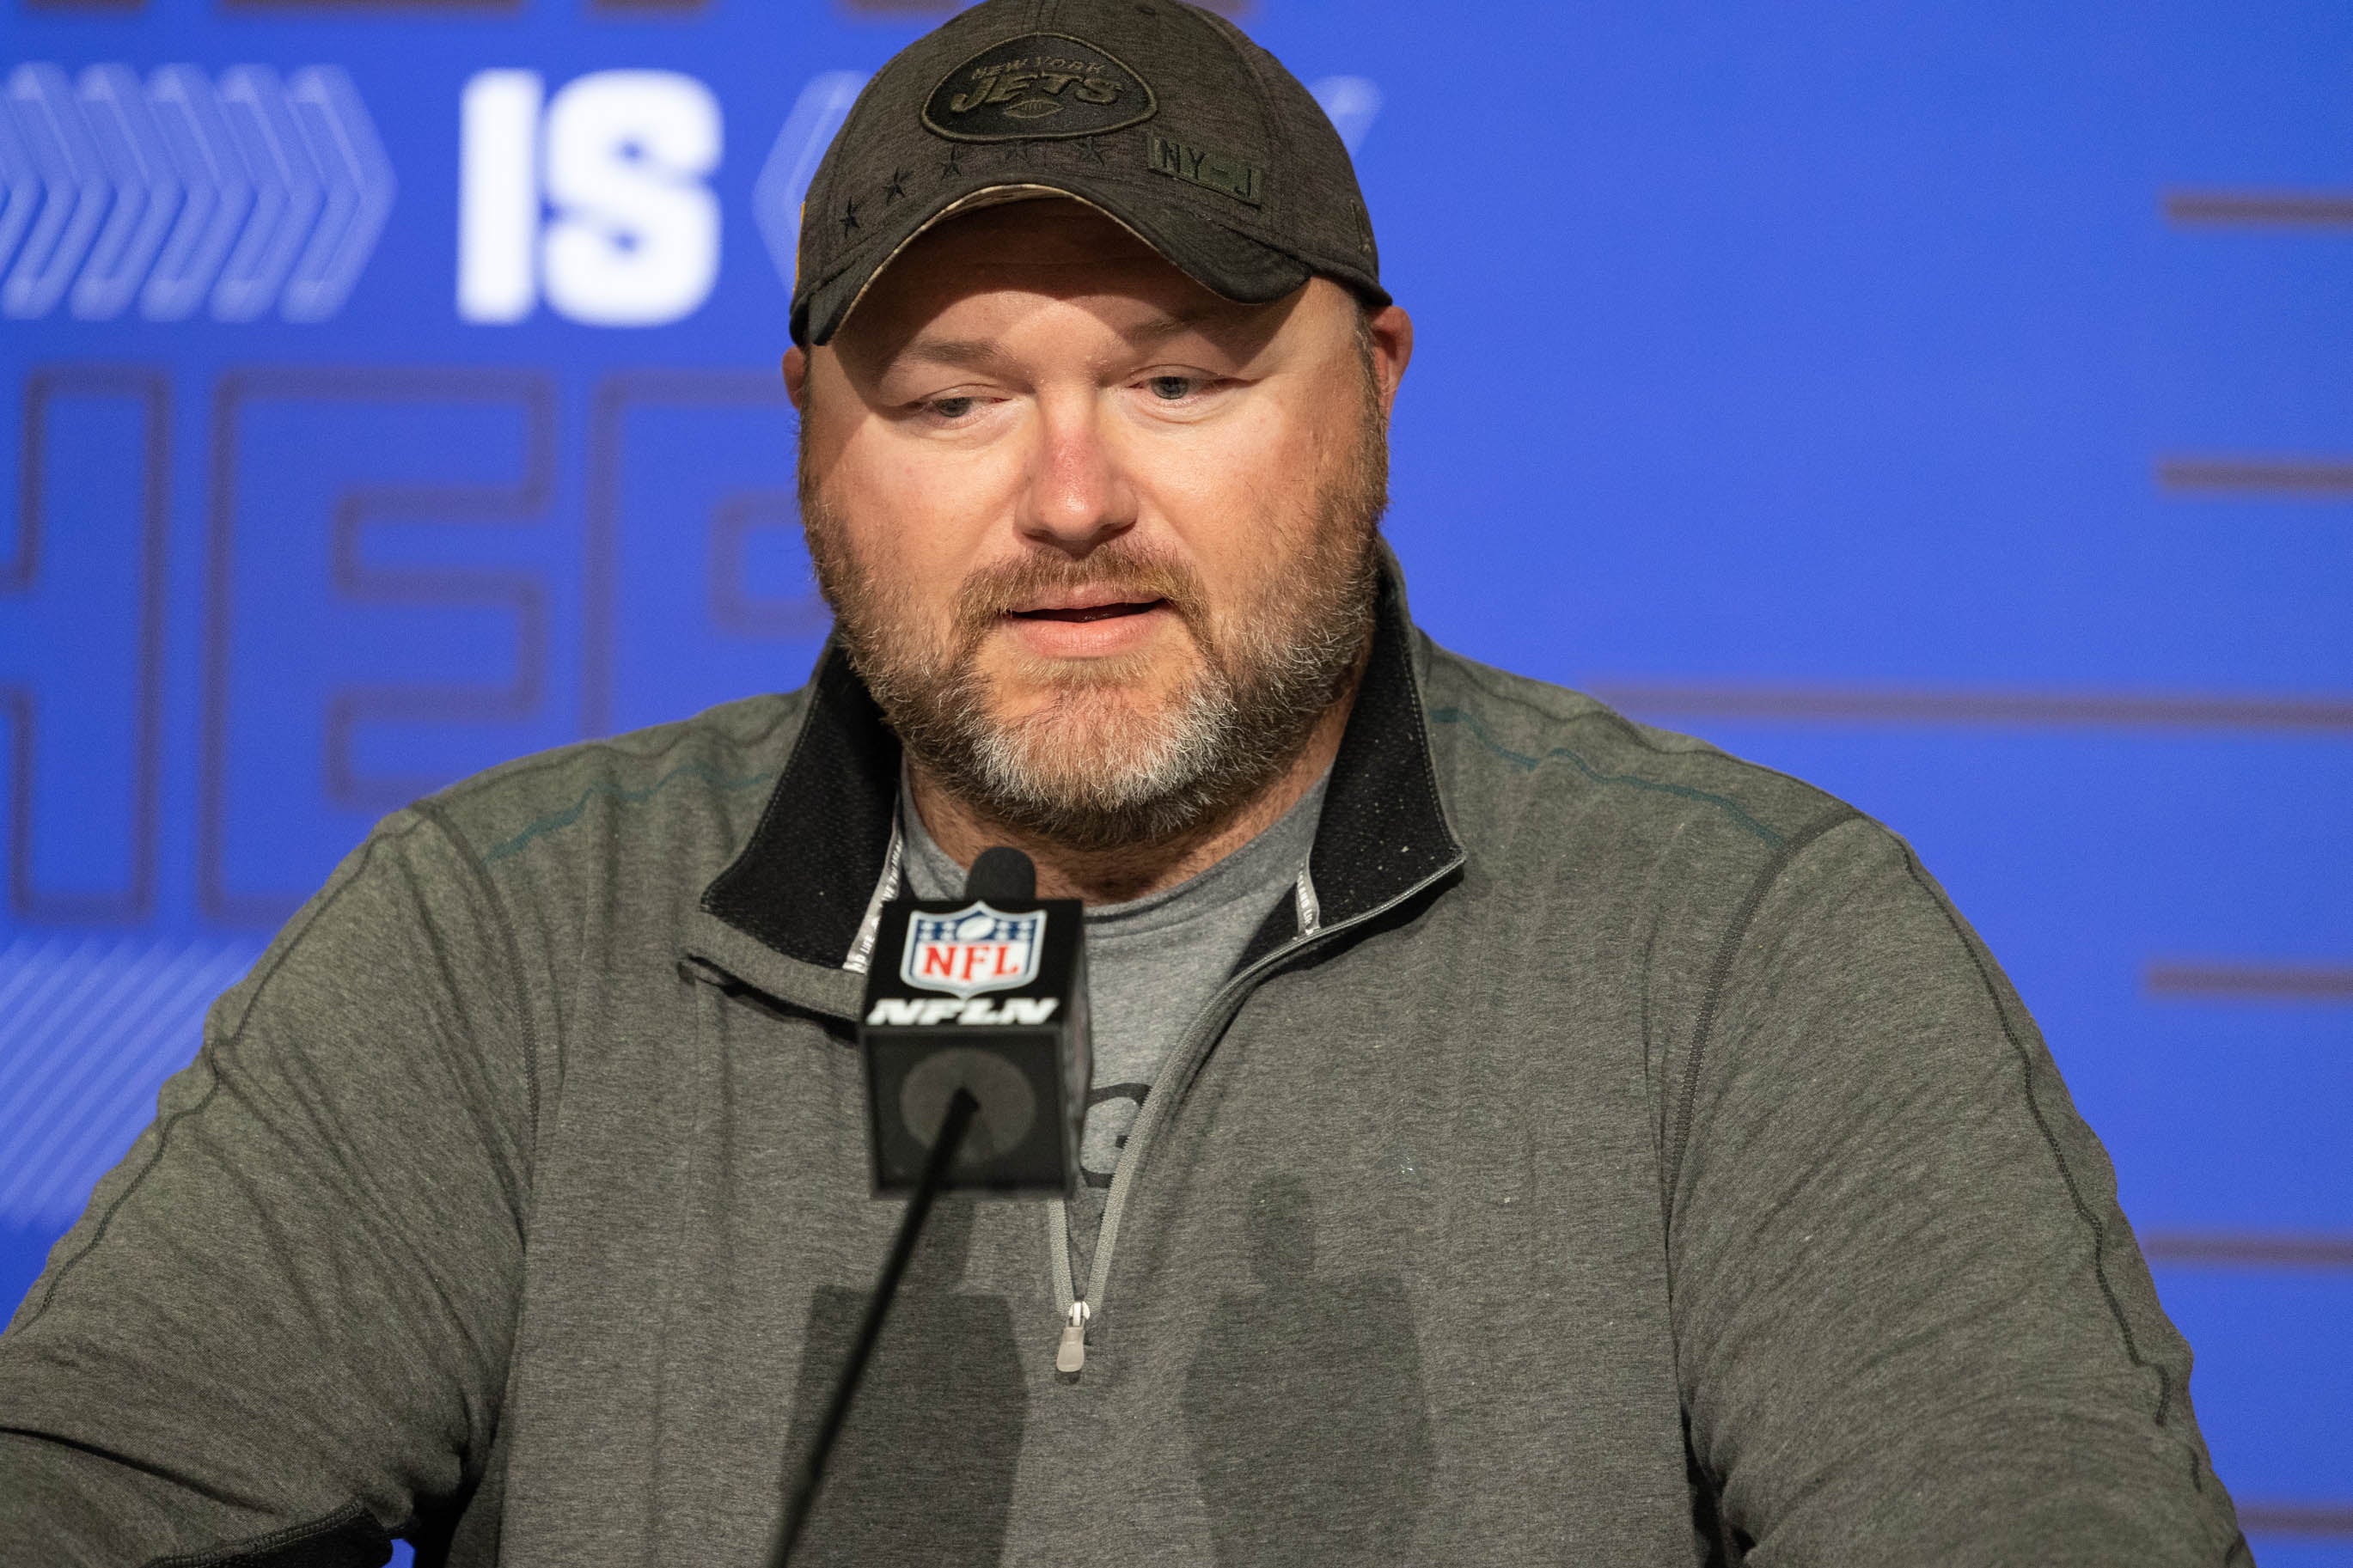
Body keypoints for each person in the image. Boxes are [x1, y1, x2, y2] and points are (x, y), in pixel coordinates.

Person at [1, 2, 2251, 1563]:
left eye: (1176, 378)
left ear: (1367, 388)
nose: (1067, 496)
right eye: (955, 400)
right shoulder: (498, 944)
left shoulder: (1747, 951)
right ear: (805, 428)